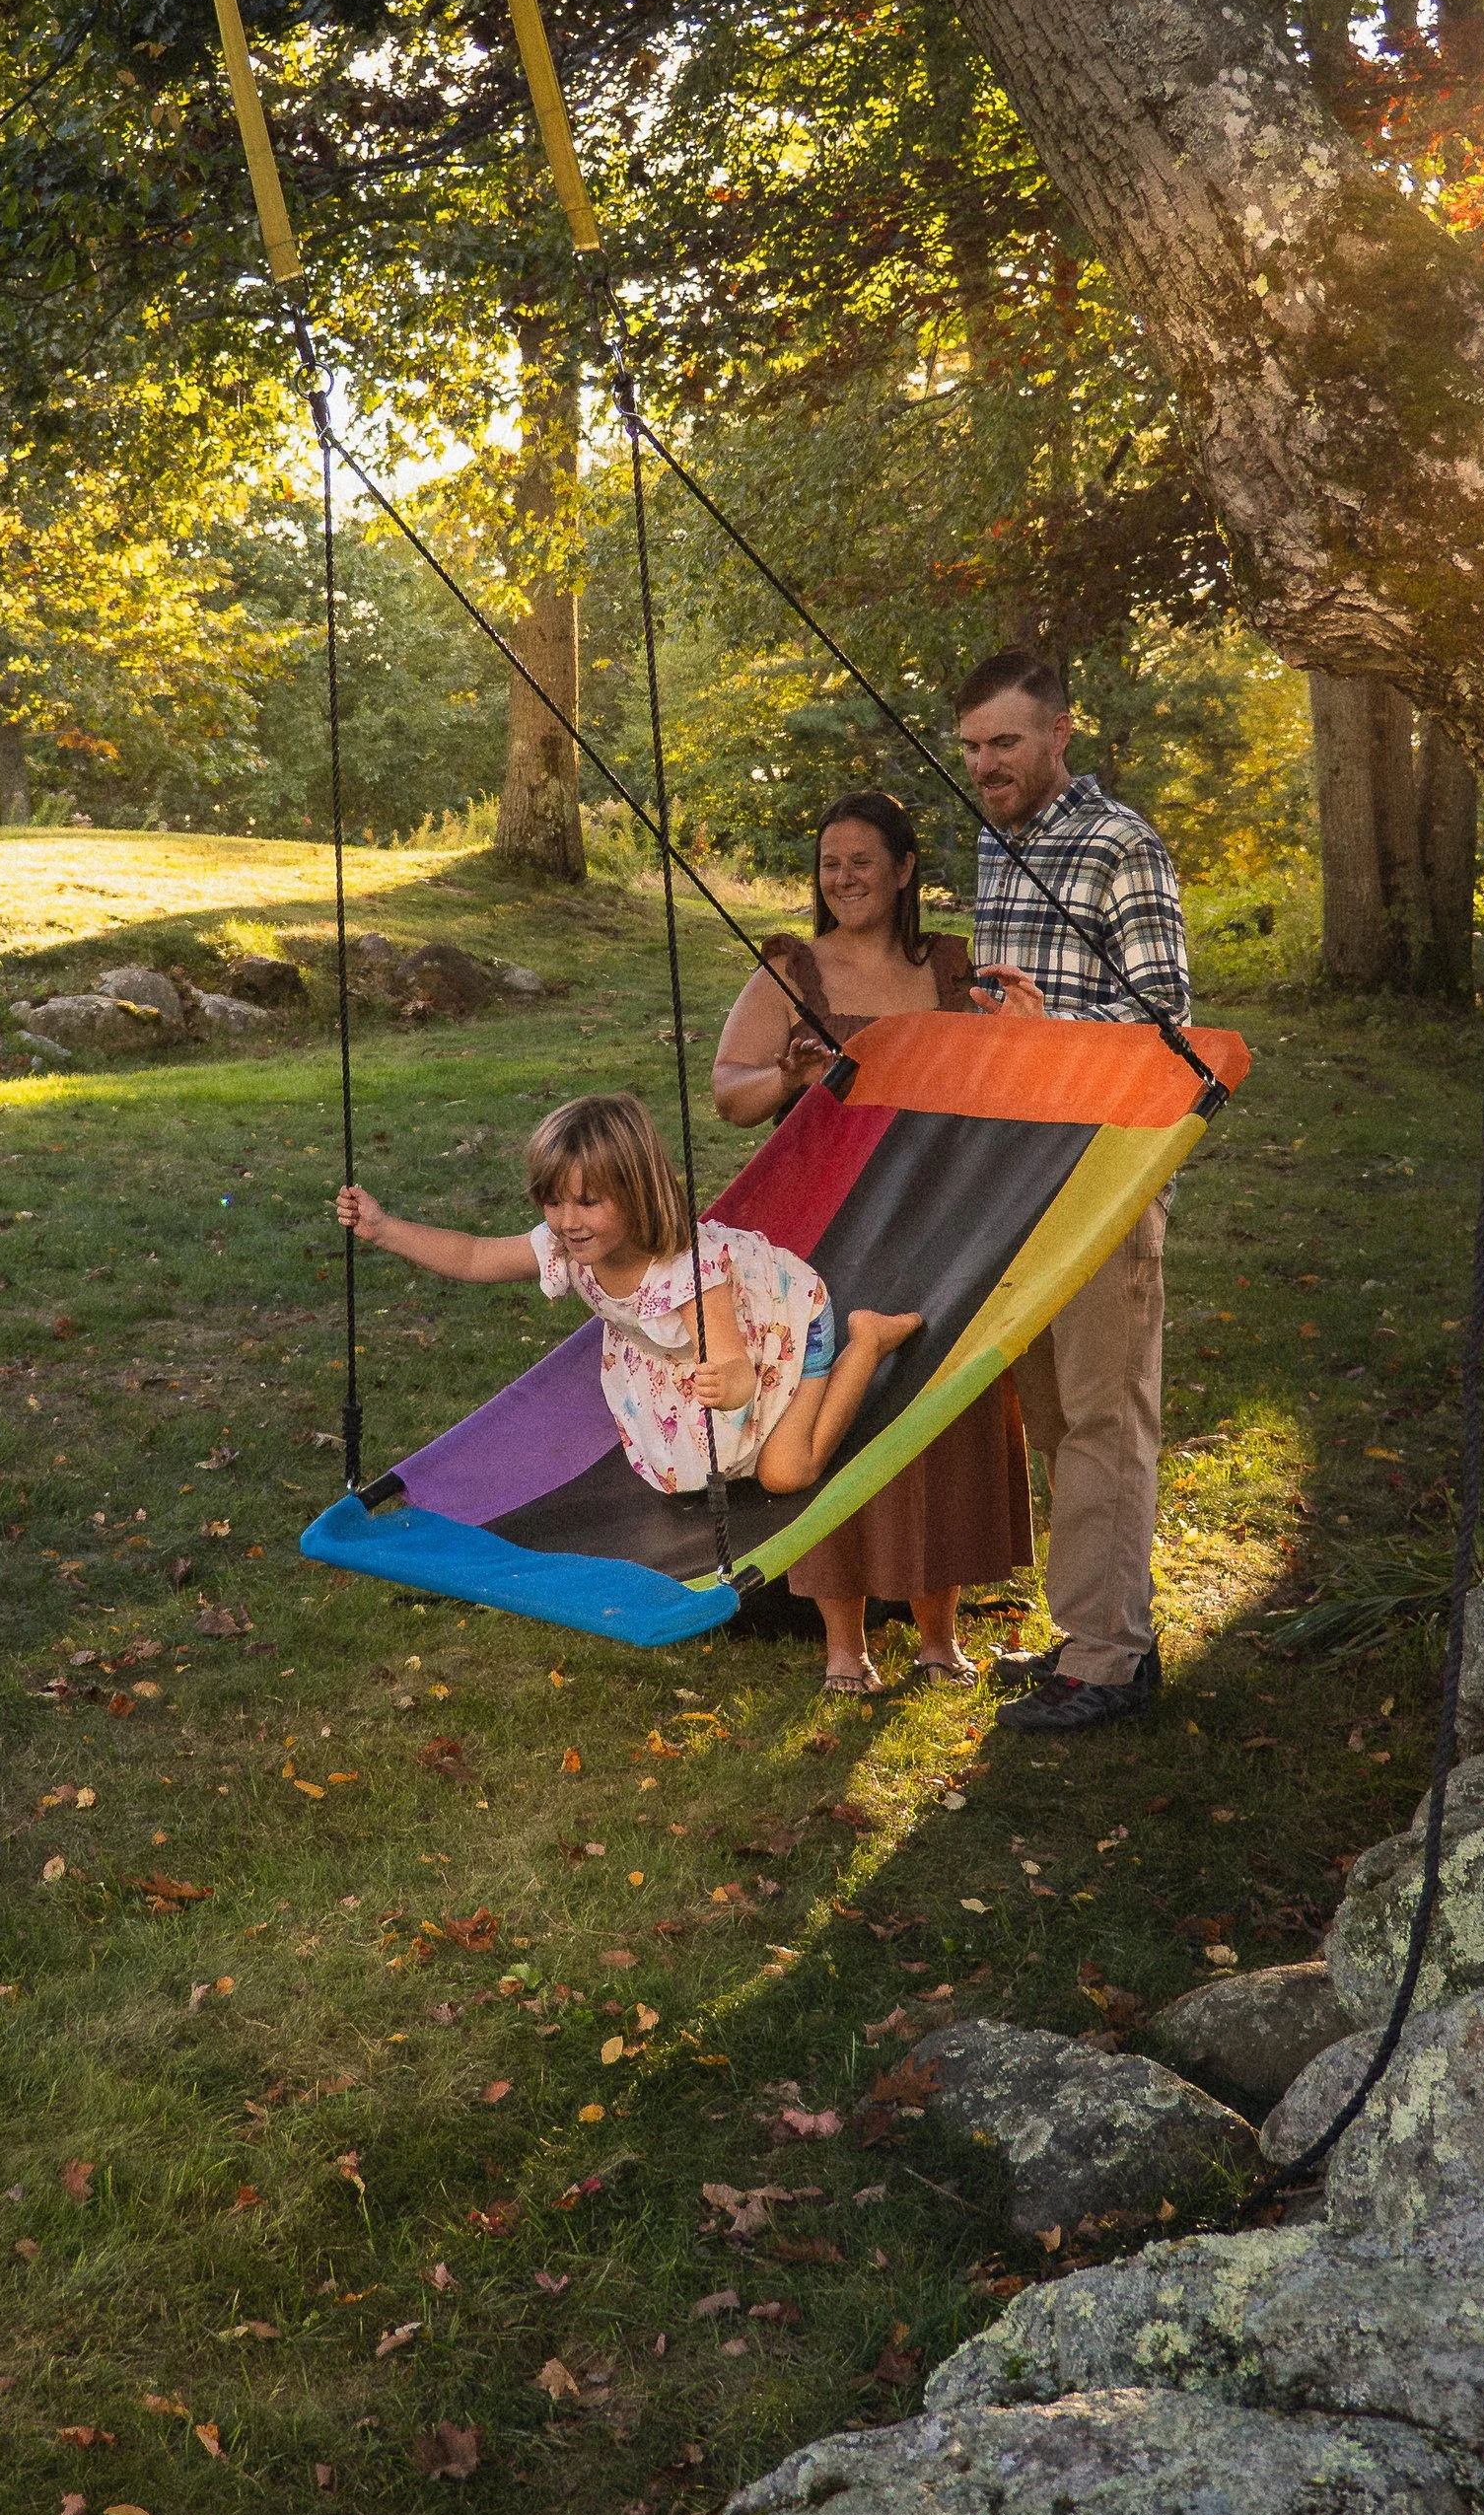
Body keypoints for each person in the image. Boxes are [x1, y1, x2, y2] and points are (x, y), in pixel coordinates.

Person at [713, 789, 1033, 1694]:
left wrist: (1016, 1039)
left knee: (943, 1401)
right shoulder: (789, 970)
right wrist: (785, 1076)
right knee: (831, 1415)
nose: (844, 878)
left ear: (903, 870)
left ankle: (939, 1635)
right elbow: (728, 1095)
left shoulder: (952, 967)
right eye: (830, 864)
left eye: (863, 861)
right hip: (822, 1227)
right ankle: (844, 1646)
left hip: (939, 1216)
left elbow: (999, 1081)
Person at [956, 646, 1191, 1734]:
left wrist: (1047, 1030)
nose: (985, 764)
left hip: (1104, 1168)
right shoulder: (994, 840)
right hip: (1016, 1171)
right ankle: (1082, 1634)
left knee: (1106, 1412)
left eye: (1005, 742)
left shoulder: (1118, 845)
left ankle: (1109, 1662)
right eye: (970, 747)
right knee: (1052, 1414)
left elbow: (1171, 1032)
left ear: (1059, 733)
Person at [337, 1089, 921, 1503]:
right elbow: (472, 1256)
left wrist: (732, 1384)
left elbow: (735, 1365)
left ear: (639, 1196)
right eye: (553, 1201)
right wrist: (386, 1229)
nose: (567, 1221)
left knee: (785, 1474)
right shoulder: (570, 1244)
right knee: (687, 1472)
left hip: (779, 1326)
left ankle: (866, 1343)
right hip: (685, 1353)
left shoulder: (689, 1272)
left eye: (588, 1203)